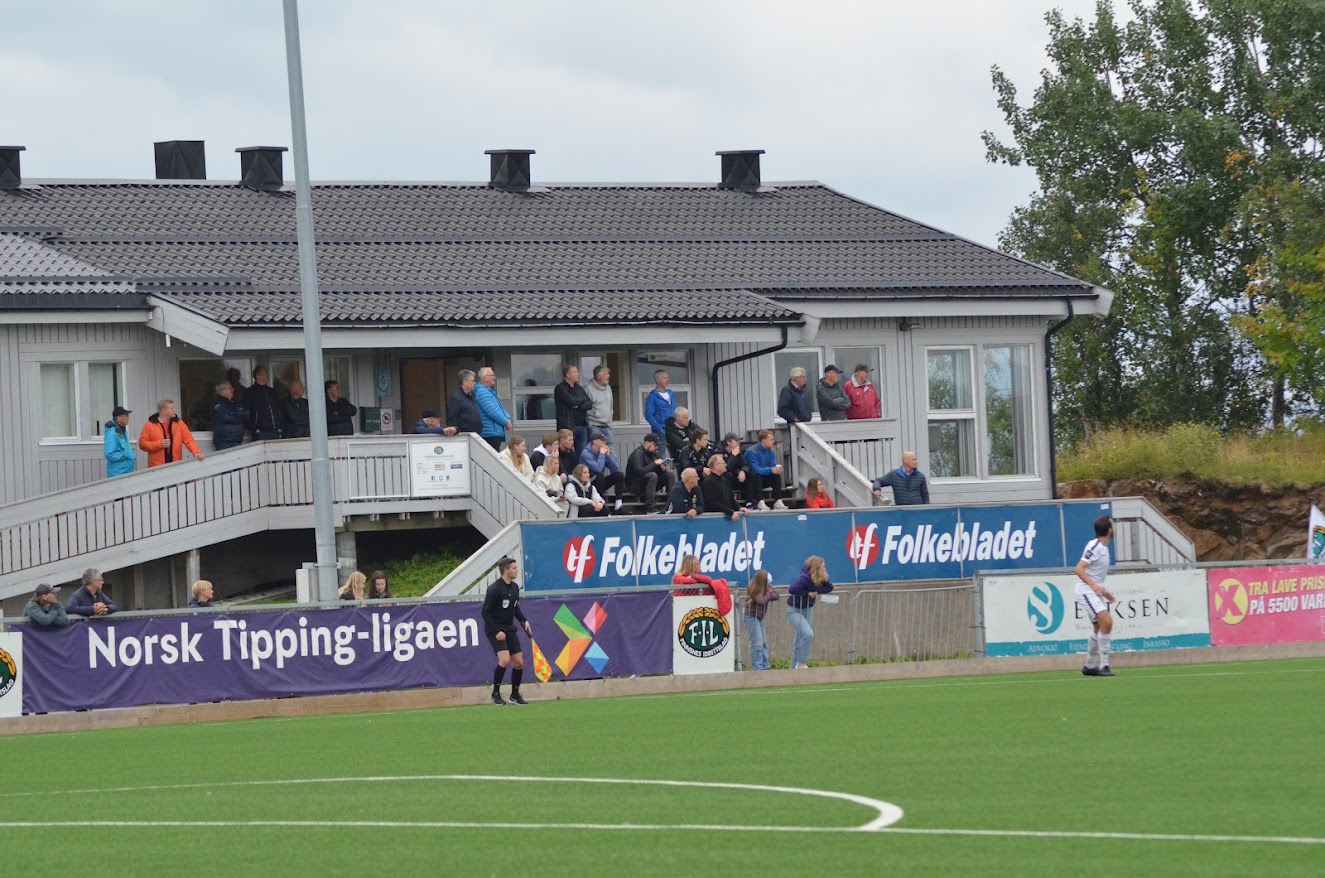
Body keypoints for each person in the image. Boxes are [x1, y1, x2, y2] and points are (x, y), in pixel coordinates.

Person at [482, 556, 532, 705]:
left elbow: (515, 608)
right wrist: (496, 631)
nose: (517, 571)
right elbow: (485, 612)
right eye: (514, 568)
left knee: (519, 663)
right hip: (495, 629)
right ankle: (495, 694)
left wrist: (524, 620)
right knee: (504, 660)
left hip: (509, 629)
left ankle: (514, 695)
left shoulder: (515, 588)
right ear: (506, 570)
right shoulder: (494, 589)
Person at [1076, 516, 1118, 677]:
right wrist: (1093, 586)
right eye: (1113, 525)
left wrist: (1103, 591)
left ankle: (1089, 665)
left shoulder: (1104, 548)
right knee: (1107, 622)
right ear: (1109, 529)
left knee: (1098, 627)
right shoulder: (1095, 546)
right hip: (1085, 591)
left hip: (1093, 592)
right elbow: (1079, 569)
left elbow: (1095, 576)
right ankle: (1104, 665)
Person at [786, 555, 833, 669]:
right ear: (816, 567)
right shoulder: (804, 577)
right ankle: (802, 663)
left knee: (798, 641)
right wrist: (807, 593)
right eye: (822, 566)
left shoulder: (819, 577)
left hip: (808, 610)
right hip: (795, 610)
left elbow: (829, 587)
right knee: (808, 634)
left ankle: (792, 670)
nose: (824, 568)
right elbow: (792, 589)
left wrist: (817, 591)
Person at [139, 399, 205, 467]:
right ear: (164, 411)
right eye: (172, 409)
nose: (174, 410)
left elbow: (188, 439)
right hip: (156, 468)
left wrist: (196, 452)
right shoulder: (149, 425)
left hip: (175, 465)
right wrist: (159, 444)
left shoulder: (179, 423)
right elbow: (142, 444)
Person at [625, 432, 676, 514]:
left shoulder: (655, 453)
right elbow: (640, 472)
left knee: (670, 475)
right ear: (647, 443)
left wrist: (662, 468)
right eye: (654, 445)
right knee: (652, 475)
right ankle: (650, 507)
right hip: (635, 484)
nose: (656, 447)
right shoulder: (637, 454)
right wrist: (654, 464)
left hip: (651, 482)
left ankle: (671, 503)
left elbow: (657, 471)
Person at [553, 363, 594, 458]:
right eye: (575, 372)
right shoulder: (560, 388)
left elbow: (589, 403)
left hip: (582, 426)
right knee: (566, 452)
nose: (578, 374)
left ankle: (580, 468)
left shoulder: (579, 388)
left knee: (582, 454)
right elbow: (571, 400)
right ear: (568, 374)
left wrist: (578, 406)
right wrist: (581, 400)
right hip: (568, 426)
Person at [579, 431, 625, 512]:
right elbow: (597, 469)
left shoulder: (602, 452)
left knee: (619, 475)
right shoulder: (586, 454)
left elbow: (615, 468)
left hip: (600, 482)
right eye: (602, 440)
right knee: (600, 475)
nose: (605, 442)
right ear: (595, 441)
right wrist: (602, 454)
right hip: (589, 484)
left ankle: (618, 504)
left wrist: (608, 456)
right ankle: (601, 501)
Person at [743, 570, 779, 670]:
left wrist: (769, 592)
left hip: (759, 617)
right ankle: (757, 667)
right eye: (768, 583)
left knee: (763, 642)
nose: (770, 585)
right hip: (751, 616)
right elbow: (761, 600)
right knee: (757, 642)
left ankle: (765, 665)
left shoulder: (767, 587)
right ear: (763, 582)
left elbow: (776, 595)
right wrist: (769, 592)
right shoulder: (753, 588)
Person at [744, 429, 787, 510]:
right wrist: (771, 470)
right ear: (763, 440)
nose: (773, 442)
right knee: (757, 475)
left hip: (764, 477)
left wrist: (775, 469)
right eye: (771, 440)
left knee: (776, 476)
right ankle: (760, 501)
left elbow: (772, 465)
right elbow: (755, 469)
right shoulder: (751, 451)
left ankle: (777, 500)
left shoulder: (771, 452)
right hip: (751, 479)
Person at [474, 367, 513, 451]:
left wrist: (508, 417)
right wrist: (505, 422)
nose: (494, 377)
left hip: (493, 432)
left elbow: (500, 408)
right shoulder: (482, 392)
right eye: (492, 375)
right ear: (485, 378)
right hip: (489, 433)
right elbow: (492, 410)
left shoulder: (489, 391)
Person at [243, 365, 284, 440]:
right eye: (265, 373)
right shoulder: (250, 392)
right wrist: (254, 429)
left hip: (275, 431)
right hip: (260, 432)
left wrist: (280, 426)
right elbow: (245, 413)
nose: (267, 375)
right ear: (258, 376)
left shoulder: (272, 392)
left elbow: (279, 409)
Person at [701, 454, 745, 521]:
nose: (726, 465)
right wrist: (730, 512)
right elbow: (712, 503)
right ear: (716, 465)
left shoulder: (724, 479)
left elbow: (730, 498)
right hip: (715, 519)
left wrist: (739, 508)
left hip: (726, 517)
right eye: (723, 463)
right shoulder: (709, 482)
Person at [584, 363, 615, 448]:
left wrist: (609, 422)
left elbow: (610, 406)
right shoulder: (588, 389)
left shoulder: (608, 388)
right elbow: (583, 408)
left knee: (610, 450)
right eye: (606, 374)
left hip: (607, 426)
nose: (609, 376)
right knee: (594, 450)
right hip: (594, 426)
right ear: (599, 376)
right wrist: (589, 424)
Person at [210, 381, 248, 450]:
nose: (233, 390)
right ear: (222, 390)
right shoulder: (218, 404)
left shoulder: (234, 403)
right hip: (224, 441)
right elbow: (225, 417)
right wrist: (236, 415)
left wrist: (232, 413)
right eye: (230, 388)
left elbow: (245, 414)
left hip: (237, 440)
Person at [447, 369, 483, 436]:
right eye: (472, 381)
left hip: (475, 433)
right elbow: (452, 416)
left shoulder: (472, 395)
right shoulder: (456, 397)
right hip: (464, 434)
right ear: (464, 381)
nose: (474, 383)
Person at [104, 405, 135, 478]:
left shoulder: (122, 431)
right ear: (119, 418)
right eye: (126, 416)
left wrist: (130, 452)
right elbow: (109, 454)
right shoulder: (112, 433)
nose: (128, 418)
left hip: (126, 471)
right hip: (118, 474)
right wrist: (125, 455)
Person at [719, 433, 749, 508]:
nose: (739, 443)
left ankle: (749, 502)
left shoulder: (738, 452)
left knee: (750, 475)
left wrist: (743, 471)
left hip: (736, 477)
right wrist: (733, 455)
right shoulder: (719, 452)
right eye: (736, 441)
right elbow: (725, 468)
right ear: (728, 442)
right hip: (724, 478)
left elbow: (745, 464)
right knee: (728, 475)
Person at [645, 369, 676, 435]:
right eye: (664, 378)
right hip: (661, 431)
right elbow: (649, 415)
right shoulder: (652, 397)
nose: (667, 380)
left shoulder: (671, 394)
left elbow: (675, 410)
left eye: (667, 378)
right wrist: (659, 429)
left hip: (673, 430)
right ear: (657, 380)